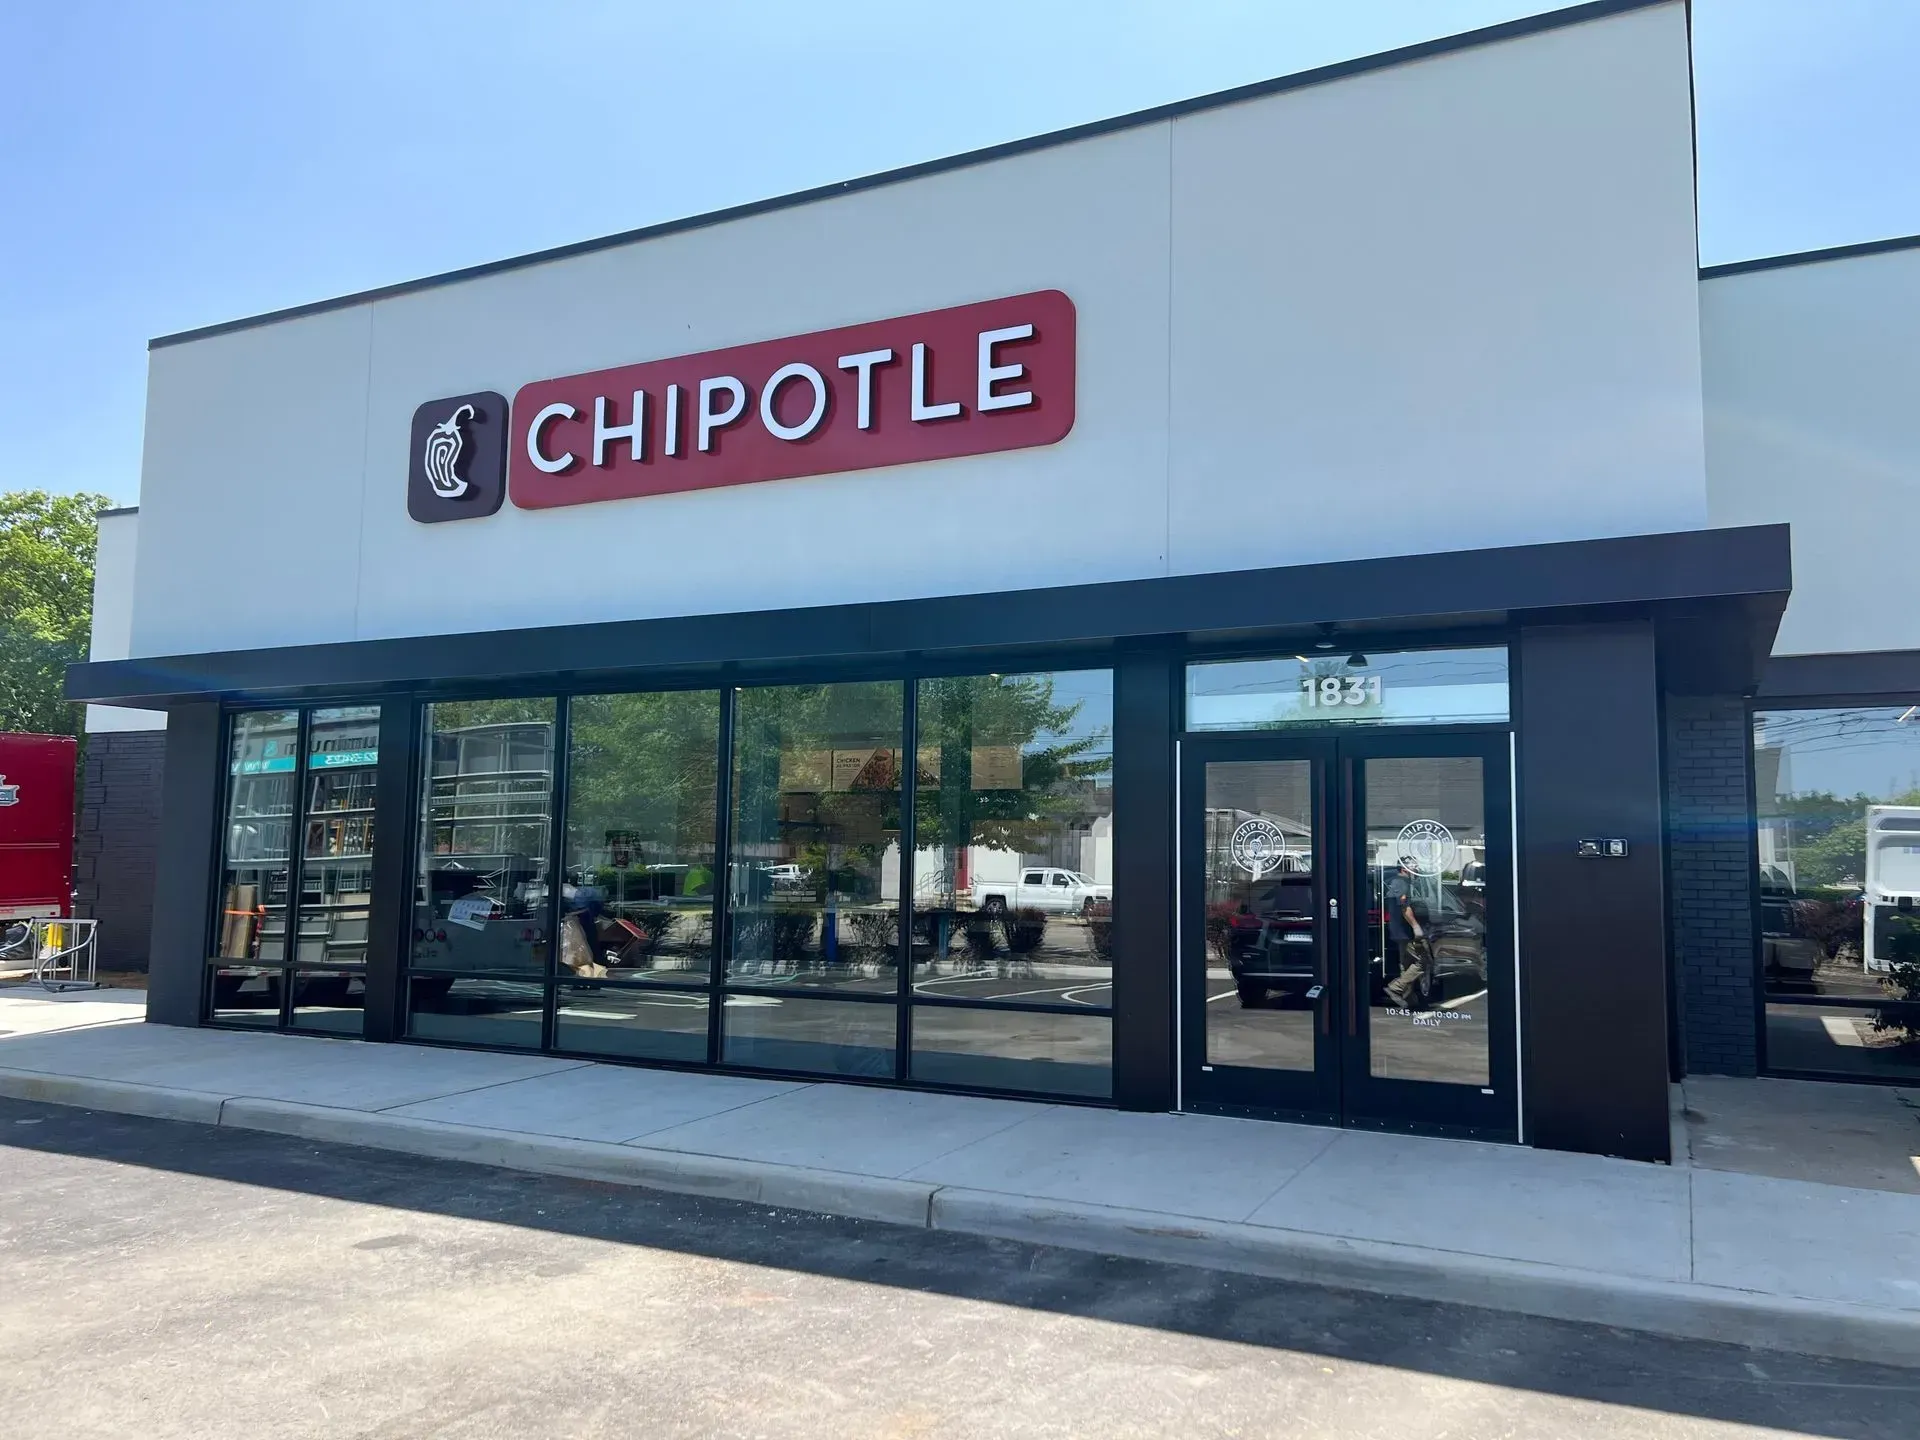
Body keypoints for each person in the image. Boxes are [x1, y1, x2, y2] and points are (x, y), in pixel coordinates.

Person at [1383, 857, 1431, 1009]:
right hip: (1407, 931)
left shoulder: (1401, 882)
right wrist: (1416, 927)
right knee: (1423, 961)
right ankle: (1396, 988)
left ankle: (1409, 999)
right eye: (1413, 864)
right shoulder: (1401, 883)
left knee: (1406, 963)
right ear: (1404, 868)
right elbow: (1405, 907)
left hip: (1401, 931)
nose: (1416, 867)